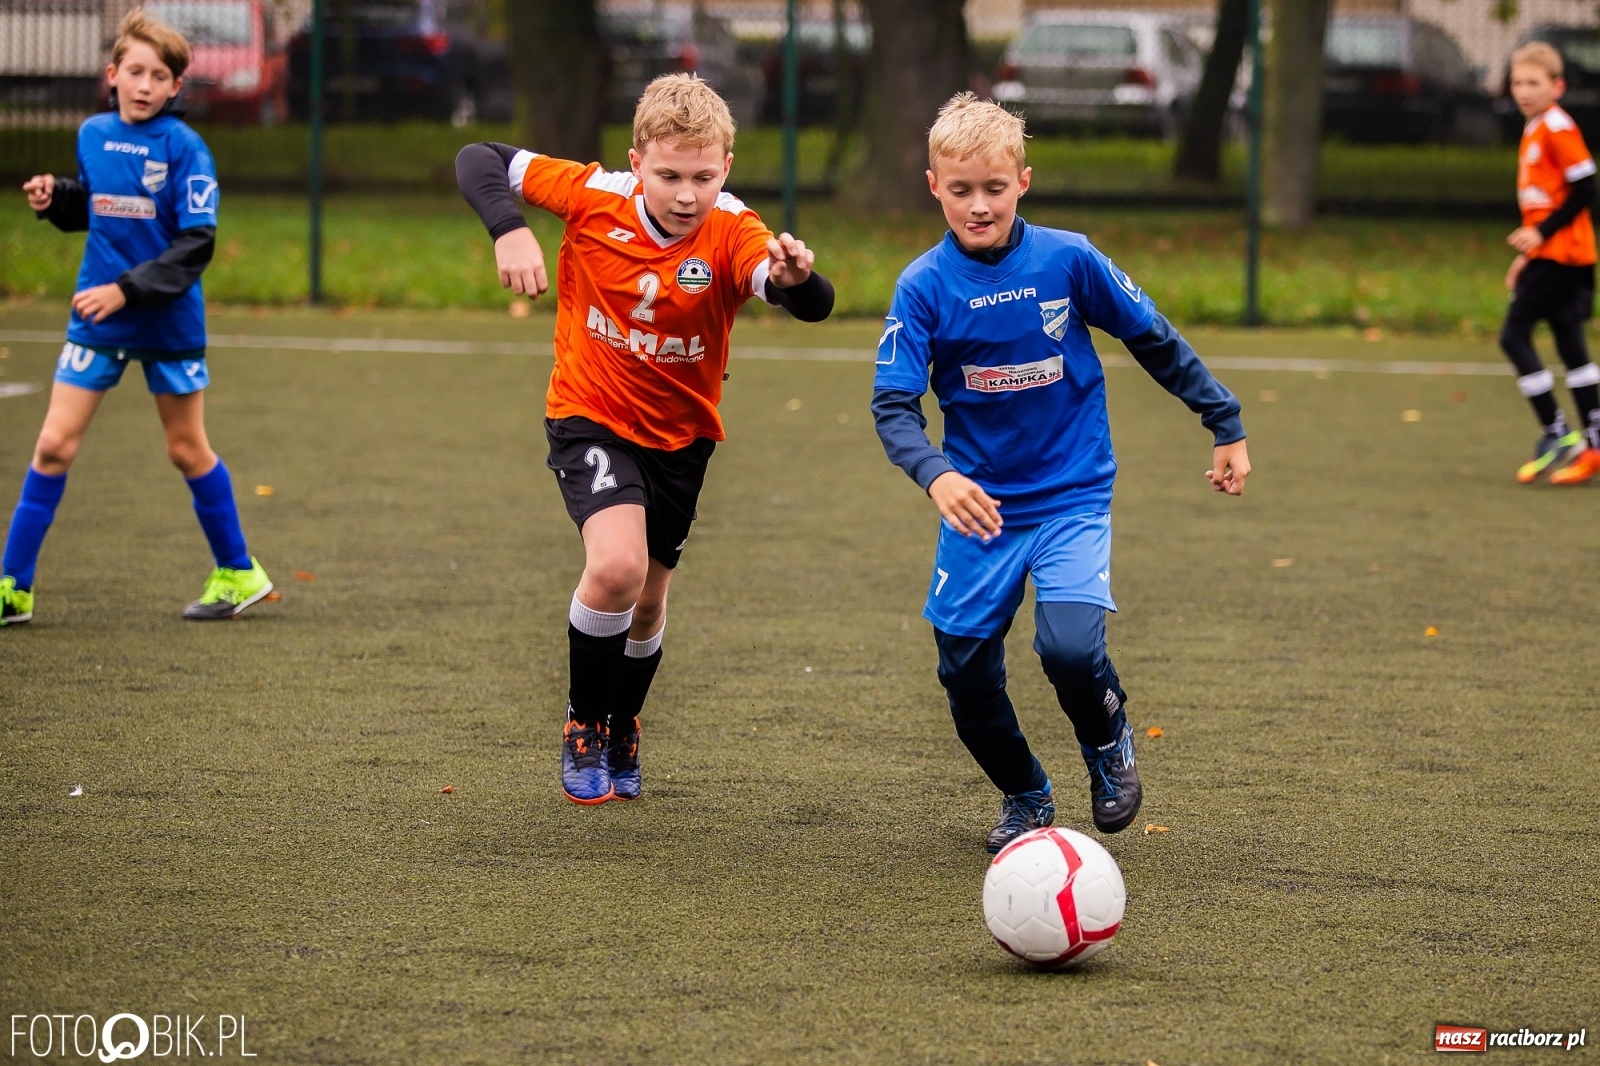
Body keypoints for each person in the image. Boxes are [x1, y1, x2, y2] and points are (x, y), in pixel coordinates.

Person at [872, 93, 1249, 852]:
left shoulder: (1068, 259)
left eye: (995, 188)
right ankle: (1025, 794)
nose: (979, 206)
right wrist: (937, 475)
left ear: (1023, 182)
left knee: (1070, 647)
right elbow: (893, 406)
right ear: (933, 186)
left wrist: (1224, 421)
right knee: (965, 675)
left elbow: (1155, 339)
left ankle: (1108, 744)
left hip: (1074, 492)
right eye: (960, 190)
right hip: (980, 506)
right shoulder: (923, 287)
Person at [455, 74, 834, 805]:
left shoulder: (733, 227)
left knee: (650, 604)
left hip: (682, 441)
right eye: (667, 175)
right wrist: (508, 227)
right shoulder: (596, 194)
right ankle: (583, 723)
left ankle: (625, 720)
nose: (685, 193)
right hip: (589, 414)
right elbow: (480, 156)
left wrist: (796, 279)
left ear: (726, 166)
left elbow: (803, 299)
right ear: (638, 162)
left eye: (702, 175)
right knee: (617, 568)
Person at [2, 10, 271, 627]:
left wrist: (125, 292)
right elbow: (102, 207)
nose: (146, 84)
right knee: (51, 445)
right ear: (113, 75)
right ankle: (13, 588)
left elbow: (195, 243)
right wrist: (58, 198)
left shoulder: (185, 148)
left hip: (165, 319)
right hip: (99, 316)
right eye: (136, 71)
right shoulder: (93, 134)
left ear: (177, 86)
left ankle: (238, 570)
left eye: (160, 75)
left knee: (185, 448)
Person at [1500, 41, 1600, 485]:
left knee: (1513, 334)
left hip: (1563, 254)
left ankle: (1557, 431)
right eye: (1517, 82)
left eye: (1533, 83)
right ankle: (1595, 441)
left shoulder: (1557, 126)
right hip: (1556, 254)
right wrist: (1528, 255)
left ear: (1557, 86)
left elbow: (1586, 189)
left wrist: (1541, 236)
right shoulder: (1536, 125)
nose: (1523, 90)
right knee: (1569, 343)